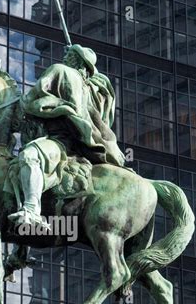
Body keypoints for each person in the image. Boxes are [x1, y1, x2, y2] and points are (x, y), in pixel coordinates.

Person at [7, 44, 126, 228]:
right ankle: (21, 250)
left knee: (29, 156)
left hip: (59, 141)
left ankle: (31, 210)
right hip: (82, 146)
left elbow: (31, 99)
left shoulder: (60, 70)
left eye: (70, 55)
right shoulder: (95, 90)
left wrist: (20, 104)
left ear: (76, 60)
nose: (65, 56)